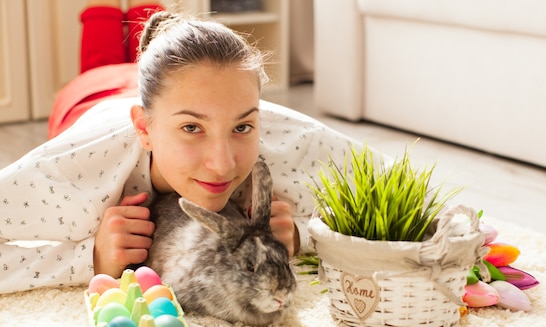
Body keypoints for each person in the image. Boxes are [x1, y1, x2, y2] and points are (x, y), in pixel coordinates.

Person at [0, 0, 361, 293]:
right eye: (192, 127)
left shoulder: (287, 140)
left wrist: (305, 232)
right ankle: (112, 18)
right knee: (100, 53)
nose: (222, 164)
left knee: (154, 49)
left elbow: (411, 193)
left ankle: (147, 18)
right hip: (91, 97)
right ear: (144, 128)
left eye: (242, 127)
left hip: (168, 90)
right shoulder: (75, 173)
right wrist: (89, 257)